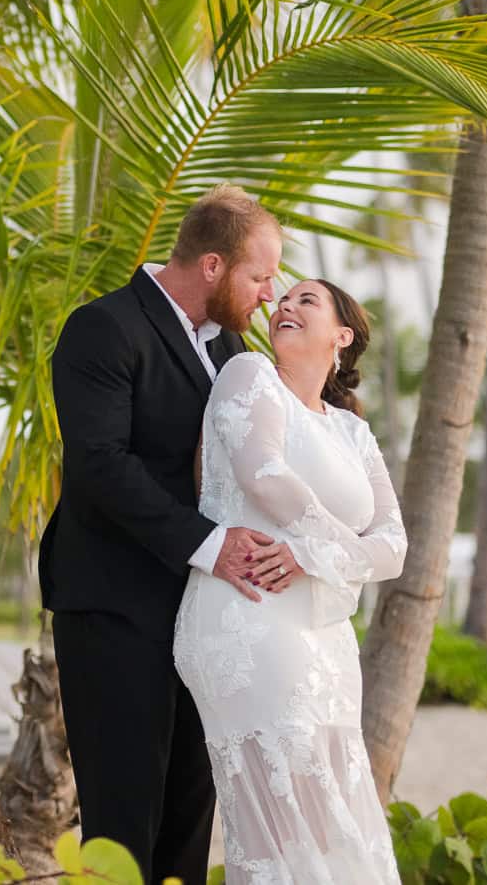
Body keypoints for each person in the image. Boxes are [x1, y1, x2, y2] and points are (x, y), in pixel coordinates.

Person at [41, 185, 294, 885]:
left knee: (190, 813)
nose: (270, 294)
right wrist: (215, 545)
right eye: (259, 275)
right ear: (212, 266)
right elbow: (100, 466)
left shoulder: (231, 346)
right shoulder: (103, 328)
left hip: (200, 619)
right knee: (123, 825)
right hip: (114, 610)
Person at [174, 277, 407, 885]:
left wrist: (312, 555)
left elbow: (395, 545)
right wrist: (339, 552)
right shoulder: (250, 375)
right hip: (250, 616)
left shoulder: (353, 431)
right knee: (282, 821)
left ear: (342, 336)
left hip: (327, 638)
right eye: (283, 299)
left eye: (307, 300)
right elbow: (264, 475)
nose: (286, 305)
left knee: (333, 816)